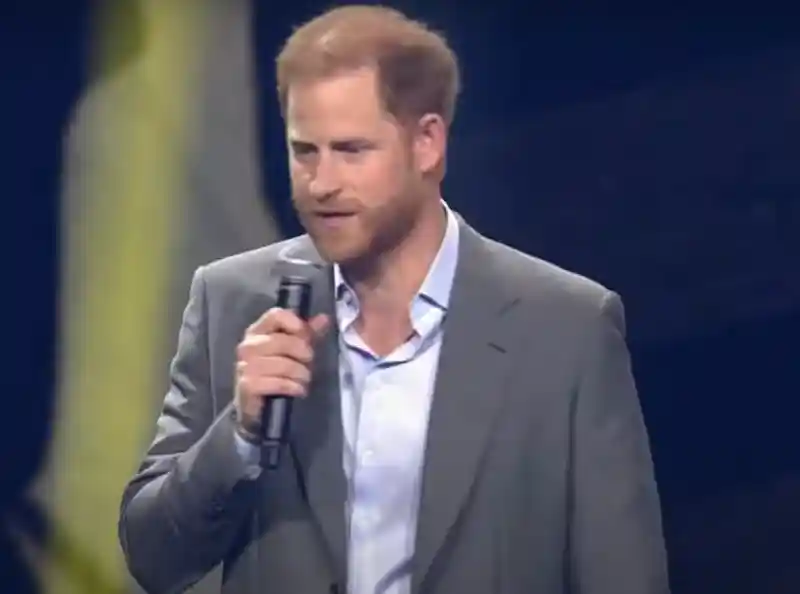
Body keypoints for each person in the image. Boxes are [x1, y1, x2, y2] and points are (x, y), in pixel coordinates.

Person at [118, 5, 669, 594]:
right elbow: (152, 558)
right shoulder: (232, 301)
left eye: (352, 150)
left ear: (427, 142)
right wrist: (240, 433)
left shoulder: (565, 328)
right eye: (305, 151)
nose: (322, 183)